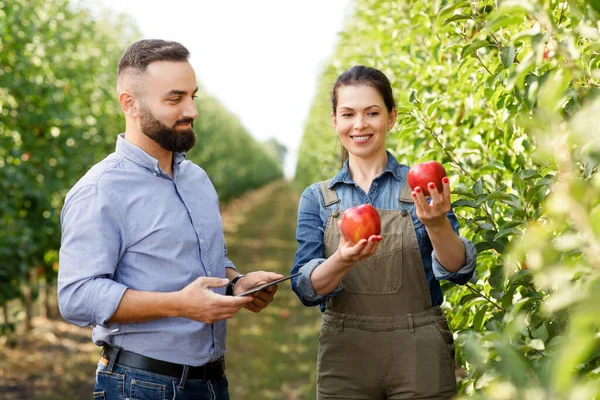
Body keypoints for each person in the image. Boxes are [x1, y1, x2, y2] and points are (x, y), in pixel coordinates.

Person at [57, 39, 284, 400]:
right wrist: (179, 304)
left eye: (194, 96)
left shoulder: (197, 180)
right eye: (175, 99)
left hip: (210, 383)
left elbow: (203, 260)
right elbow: (76, 295)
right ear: (129, 104)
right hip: (140, 385)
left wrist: (236, 282)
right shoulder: (102, 189)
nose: (191, 110)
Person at [290, 65, 477, 399]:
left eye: (372, 113)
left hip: (419, 350)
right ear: (335, 122)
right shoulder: (318, 198)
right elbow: (306, 287)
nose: (359, 125)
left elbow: (458, 270)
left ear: (391, 118)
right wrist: (343, 260)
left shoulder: (420, 187)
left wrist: (435, 223)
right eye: (348, 114)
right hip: (346, 354)